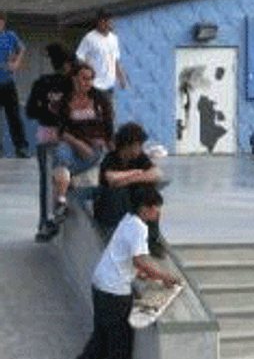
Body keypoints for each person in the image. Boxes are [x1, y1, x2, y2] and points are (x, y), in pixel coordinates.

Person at [67, 188, 180, 359]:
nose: (158, 214)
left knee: (102, 333)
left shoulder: (127, 220)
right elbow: (140, 259)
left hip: (101, 282)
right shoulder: (139, 228)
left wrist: (141, 274)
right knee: (121, 341)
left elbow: (126, 256)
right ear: (147, 209)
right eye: (157, 209)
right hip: (114, 290)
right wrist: (165, 277)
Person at [93, 122, 167, 258]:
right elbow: (111, 178)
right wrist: (139, 174)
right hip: (111, 208)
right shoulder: (111, 159)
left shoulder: (140, 158)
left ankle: (152, 241)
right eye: (138, 145)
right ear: (128, 146)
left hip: (133, 202)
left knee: (149, 194)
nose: (140, 149)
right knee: (120, 192)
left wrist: (129, 178)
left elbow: (157, 173)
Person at [52, 62, 114, 222]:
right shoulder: (64, 100)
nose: (87, 83)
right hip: (72, 143)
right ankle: (61, 201)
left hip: (94, 146)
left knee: (61, 168)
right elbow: (62, 131)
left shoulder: (100, 99)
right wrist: (78, 143)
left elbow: (108, 129)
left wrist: (112, 151)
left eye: (90, 79)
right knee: (60, 153)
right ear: (74, 79)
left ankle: (64, 184)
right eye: (83, 78)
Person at [26, 43, 75, 242]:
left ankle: (46, 223)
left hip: (46, 134)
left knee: (47, 180)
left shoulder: (41, 83)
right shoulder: (73, 85)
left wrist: (45, 112)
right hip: (68, 136)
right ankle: (56, 215)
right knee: (64, 174)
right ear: (68, 65)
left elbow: (30, 111)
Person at [75, 8, 127, 114]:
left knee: (109, 113)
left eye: (109, 21)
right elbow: (80, 57)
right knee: (94, 112)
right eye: (104, 21)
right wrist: (86, 77)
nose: (107, 24)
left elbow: (116, 61)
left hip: (110, 84)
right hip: (95, 84)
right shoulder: (89, 38)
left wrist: (122, 80)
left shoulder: (114, 38)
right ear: (99, 22)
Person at [0, 11, 31, 158]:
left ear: (3, 23)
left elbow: (22, 48)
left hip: (8, 82)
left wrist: (17, 62)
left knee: (14, 116)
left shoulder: (10, 36)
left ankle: (21, 147)